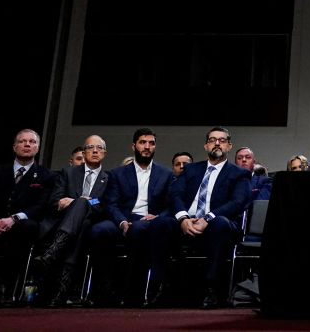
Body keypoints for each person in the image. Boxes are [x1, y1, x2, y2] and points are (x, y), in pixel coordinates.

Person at [151, 126, 251, 309]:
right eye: (213, 140)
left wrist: (208, 218)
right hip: (187, 222)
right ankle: (161, 287)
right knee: (161, 223)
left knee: (220, 224)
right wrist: (183, 219)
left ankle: (211, 289)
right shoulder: (190, 170)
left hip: (218, 224)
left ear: (229, 146)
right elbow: (175, 195)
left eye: (222, 140)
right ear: (206, 146)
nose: (217, 143)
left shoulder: (239, 174)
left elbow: (237, 203)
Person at [91, 128, 171, 305]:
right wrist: (121, 221)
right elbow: (110, 203)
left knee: (140, 230)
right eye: (143, 142)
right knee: (99, 230)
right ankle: (103, 290)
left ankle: (132, 292)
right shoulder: (117, 173)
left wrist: (157, 216)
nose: (147, 147)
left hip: (148, 221)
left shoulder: (166, 174)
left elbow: (170, 205)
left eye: (151, 143)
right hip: (122, 218)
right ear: (134, 146)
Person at [34, 135, 110, 305]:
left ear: (105, 153)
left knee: (83, 207)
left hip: (92, 220)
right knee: (81, 225)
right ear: (84, 152)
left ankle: (52, 252)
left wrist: (82, 201)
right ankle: (61, 292)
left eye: (99, 148)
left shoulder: (109, 178)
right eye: (90, 147)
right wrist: (64, 202)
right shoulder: (68, 172)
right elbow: (56, 199)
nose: (95, 151)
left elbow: (103, 202)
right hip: (63, 221)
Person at [0, 128, 52, 304]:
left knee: (26, 227)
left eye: (32, 142)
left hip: (23, 225)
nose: (27, 144)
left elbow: (41, 205)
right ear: (14, 147)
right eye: (22, 141)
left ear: (37, 148)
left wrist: (14, 218)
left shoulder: (46, 176)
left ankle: (9, 286)